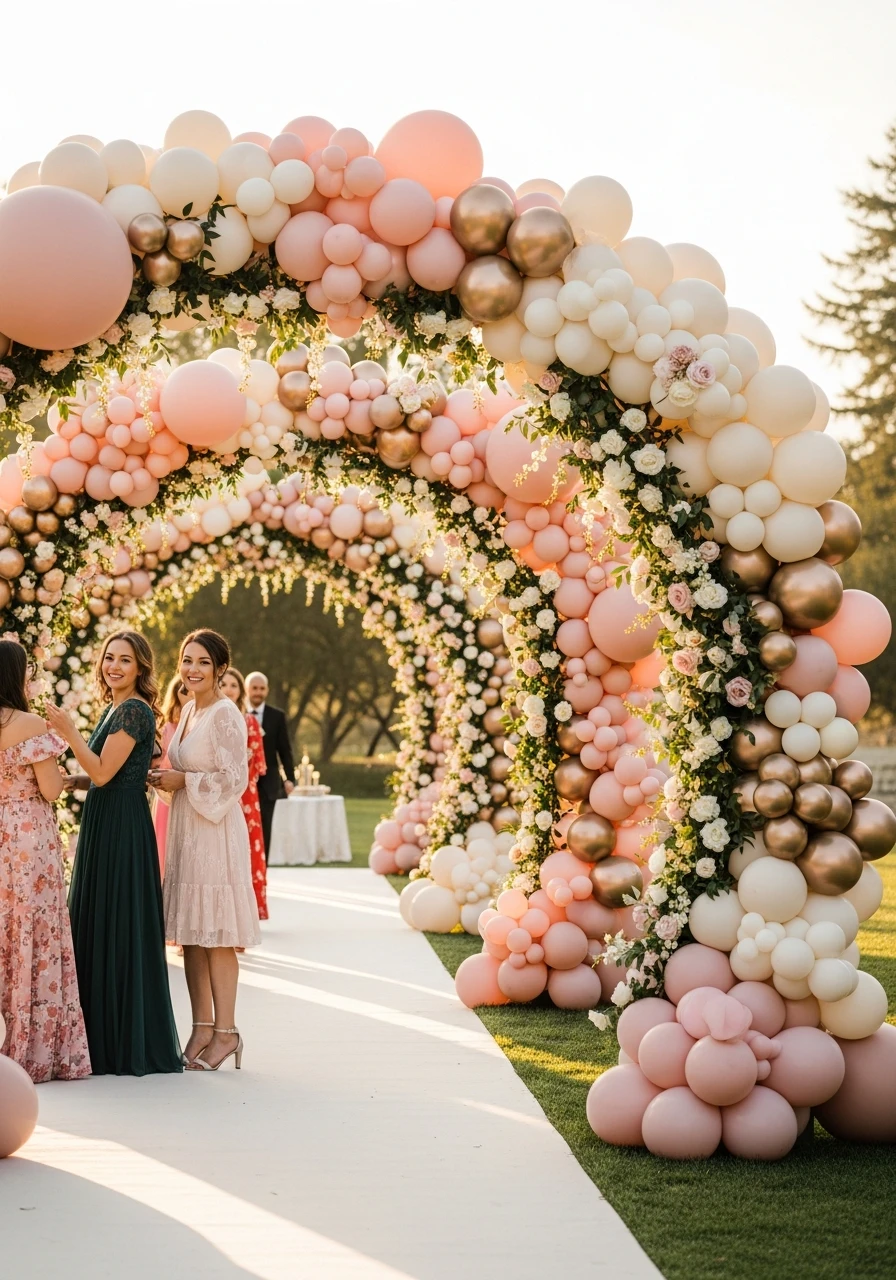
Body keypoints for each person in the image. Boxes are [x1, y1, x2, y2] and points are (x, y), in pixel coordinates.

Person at [46, 631, 182, 1076]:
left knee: (117, 921)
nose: (114, 666)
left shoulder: (133, 710)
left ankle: (121, 1044)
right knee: (104, 921)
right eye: (109, 657)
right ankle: (102, 1037)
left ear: (141, 667)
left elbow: (104, 771)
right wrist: (75, 781)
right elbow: (110, 772)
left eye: (125, 659)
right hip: (109, 820)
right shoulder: (116, 707)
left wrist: (67, 732)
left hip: (121, 829)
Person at [151, 630, 260, 1071]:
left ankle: (227, 1033)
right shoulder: (190, 709)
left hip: (215, 833)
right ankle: (201, 1026)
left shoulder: (225, 713)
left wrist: (185, 782)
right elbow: (182, 765)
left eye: (201, 662)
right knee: (191, 938)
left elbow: (236, 779)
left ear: (219, 668)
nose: (191, 669)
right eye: (186, 660)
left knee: (215, 936)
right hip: (186, 829)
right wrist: (164, 779)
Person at [0, 641, 91, 1084]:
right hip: (28, 837)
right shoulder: (32, 724)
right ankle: (33, 1046)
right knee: (34, 928)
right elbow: (52, 789)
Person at [220, 667, 268, 923]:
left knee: (244, 856)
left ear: (241, 692)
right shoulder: (206, 717)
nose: (228, 689)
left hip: (245, 798)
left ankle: (243, 919)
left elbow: (259, 765)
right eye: (224, 684)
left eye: (234, 685)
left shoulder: (249, 721)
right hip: (216, 794)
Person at [245, 671, 295, 861]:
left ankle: (262, 871)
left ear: (267, 690)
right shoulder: (237, 713)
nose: (258, 692)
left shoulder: (277, 716)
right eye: (254, 688)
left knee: (264, 829)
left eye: (262, 688)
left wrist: (289, 778)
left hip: (269, 784)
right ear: (247, 689)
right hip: (243, 781)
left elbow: (285, 750)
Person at [153, 674, 190, 878]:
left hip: (186, 793)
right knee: (165, 845)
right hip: (167, 796)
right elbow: (163, 761)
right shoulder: (166, 727)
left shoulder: (194, 724)